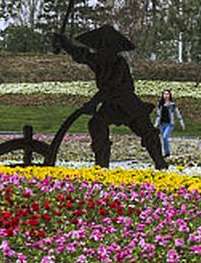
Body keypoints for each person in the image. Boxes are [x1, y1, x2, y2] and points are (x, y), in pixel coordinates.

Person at [53, 24, 168, 169]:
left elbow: (110, 87)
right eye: (99, 47)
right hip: (111, 105)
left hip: (128, 104)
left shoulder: (119, 64)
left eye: (104, 47)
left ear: (112, 49)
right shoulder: (100, 61)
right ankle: (101, 165)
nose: (100, 50)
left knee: (147, 131)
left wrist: (93, 103)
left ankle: (160, 162)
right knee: (97, 124)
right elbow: (82, 55)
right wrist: (64, 44)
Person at [154, 89, 185, 160]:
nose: (166, 96)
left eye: (167, 94)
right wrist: (156, 124)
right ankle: (164, 152)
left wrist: (182, 123)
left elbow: (178, 114)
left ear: (170, 95)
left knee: (165, 137)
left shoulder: (172, 105)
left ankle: (167, 153)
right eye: (164, 94)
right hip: (161, 124)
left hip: (169, 124)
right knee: (163, 138)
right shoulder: (160, 105)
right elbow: (158, 116)